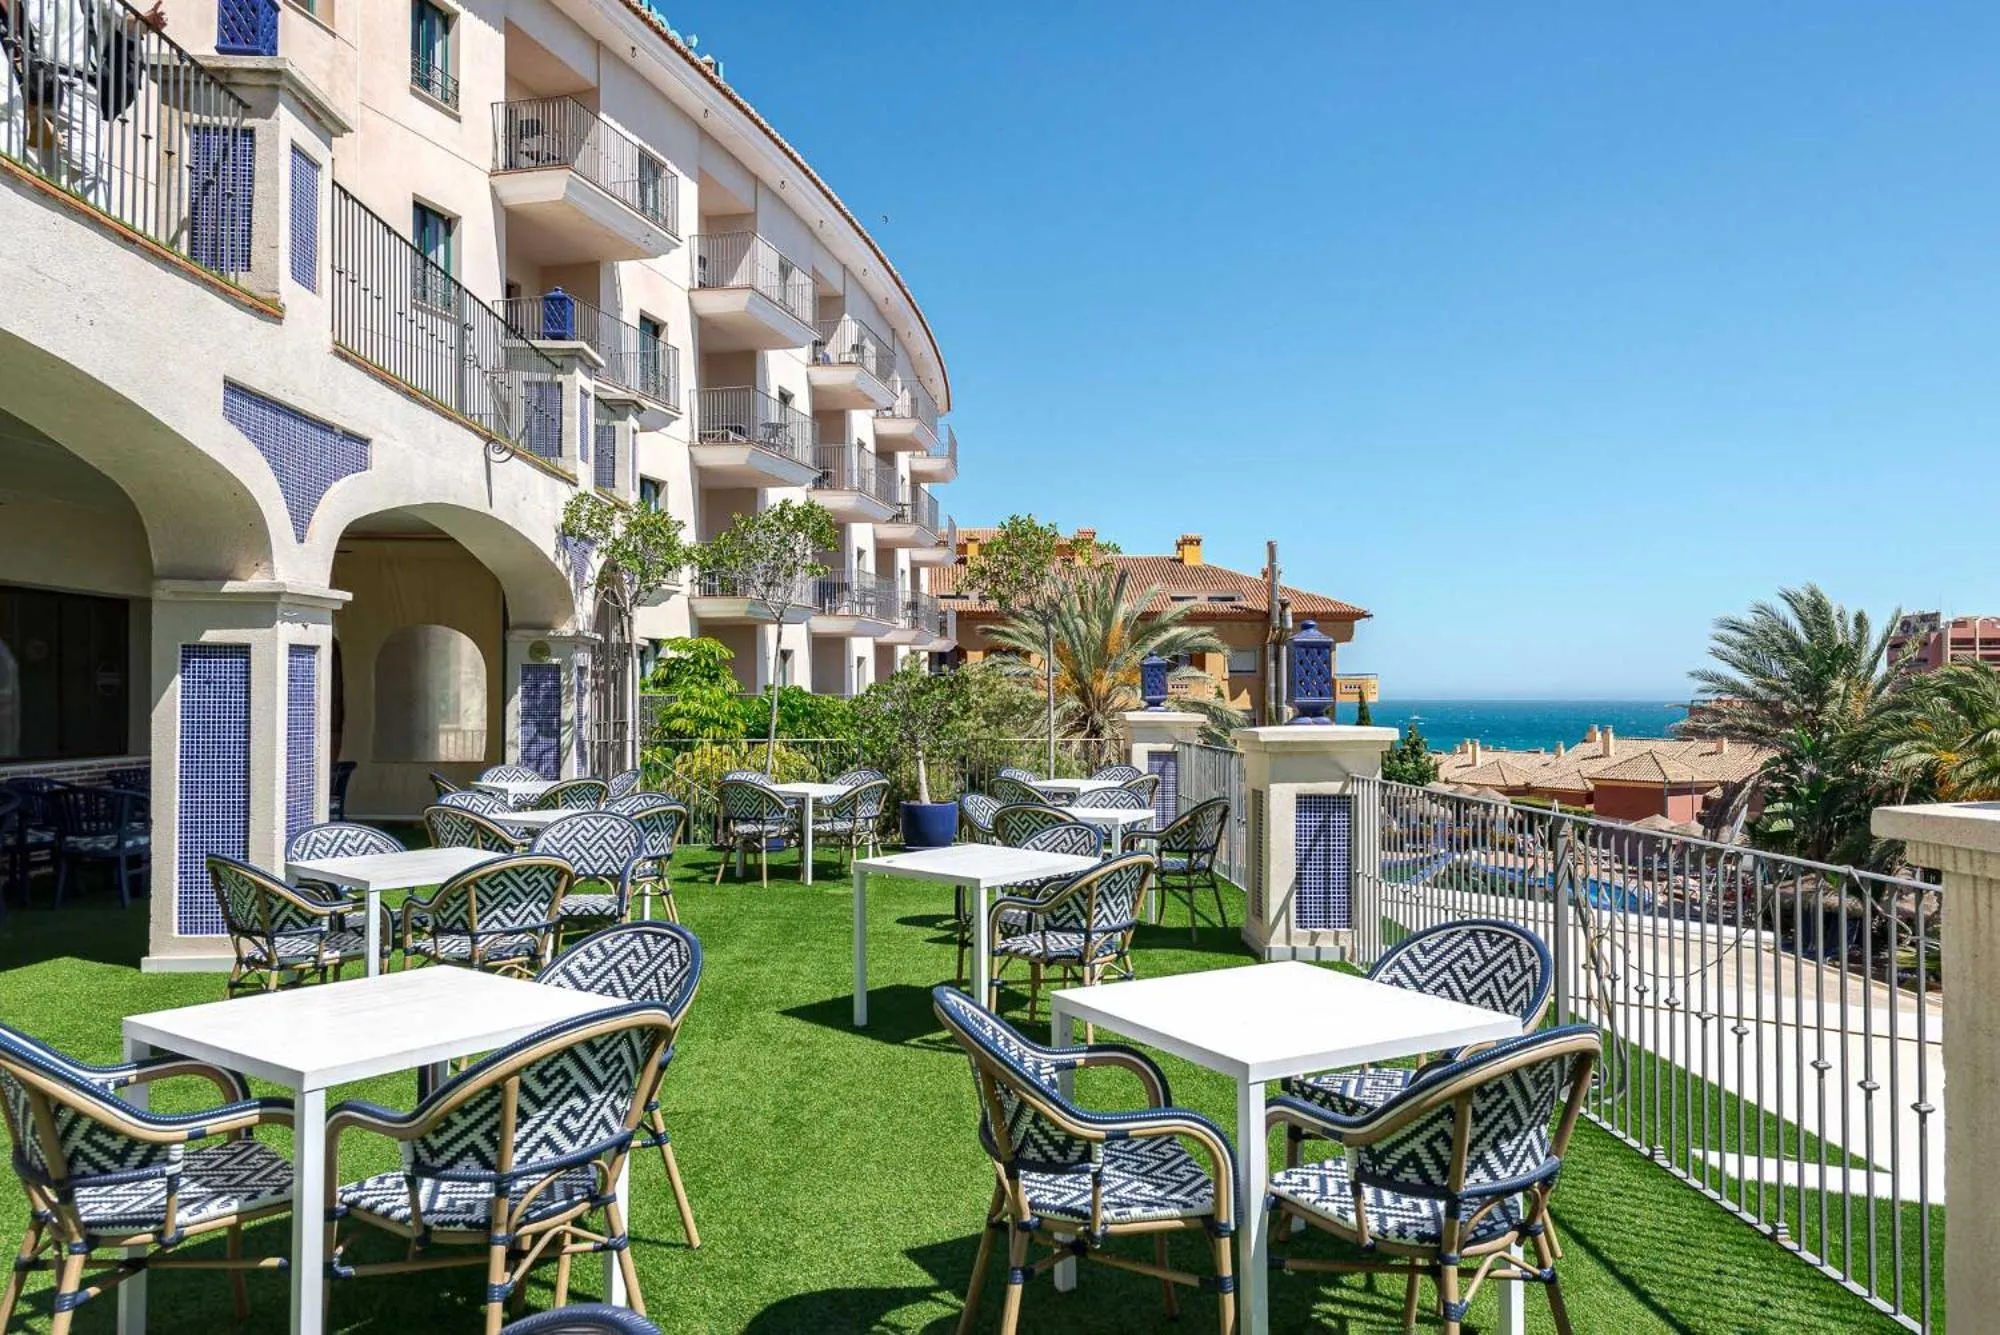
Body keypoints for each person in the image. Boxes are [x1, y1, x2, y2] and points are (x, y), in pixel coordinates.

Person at [0, 0, 165, 205]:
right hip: (29, 73)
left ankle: (87, 217)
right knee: (24, 146)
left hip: (76, 82)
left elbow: (125, 21)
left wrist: (147, 21)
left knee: (85, 165)